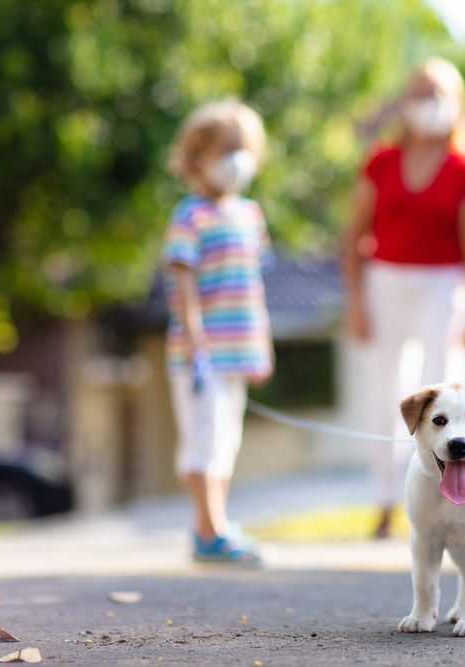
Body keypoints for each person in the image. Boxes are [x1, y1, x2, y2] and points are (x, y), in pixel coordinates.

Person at [342, 58, 465, 538]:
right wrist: (355, 300)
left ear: (457, 104)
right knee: (384, 394)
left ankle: (446, 499)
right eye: (421, 92)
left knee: (444, 392)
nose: (429, 103)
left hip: (445, 286)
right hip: (385, 282)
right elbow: (353, 235)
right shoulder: (380, 161)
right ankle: (386, 502)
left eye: (439, 93)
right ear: (404, 101)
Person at [163, 99, 274, 562]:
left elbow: (254, 285)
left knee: (226, 442)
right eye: (228, 148)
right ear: (198, 158)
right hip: (201, 355)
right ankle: (211, 530)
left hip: (239, 351)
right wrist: (195, 338)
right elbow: (182, 281)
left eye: (244, 148)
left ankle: (212, 526)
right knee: (204, 439)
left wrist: (261, 346)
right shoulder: (190, 216)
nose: (238, 158)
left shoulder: (250, 215)